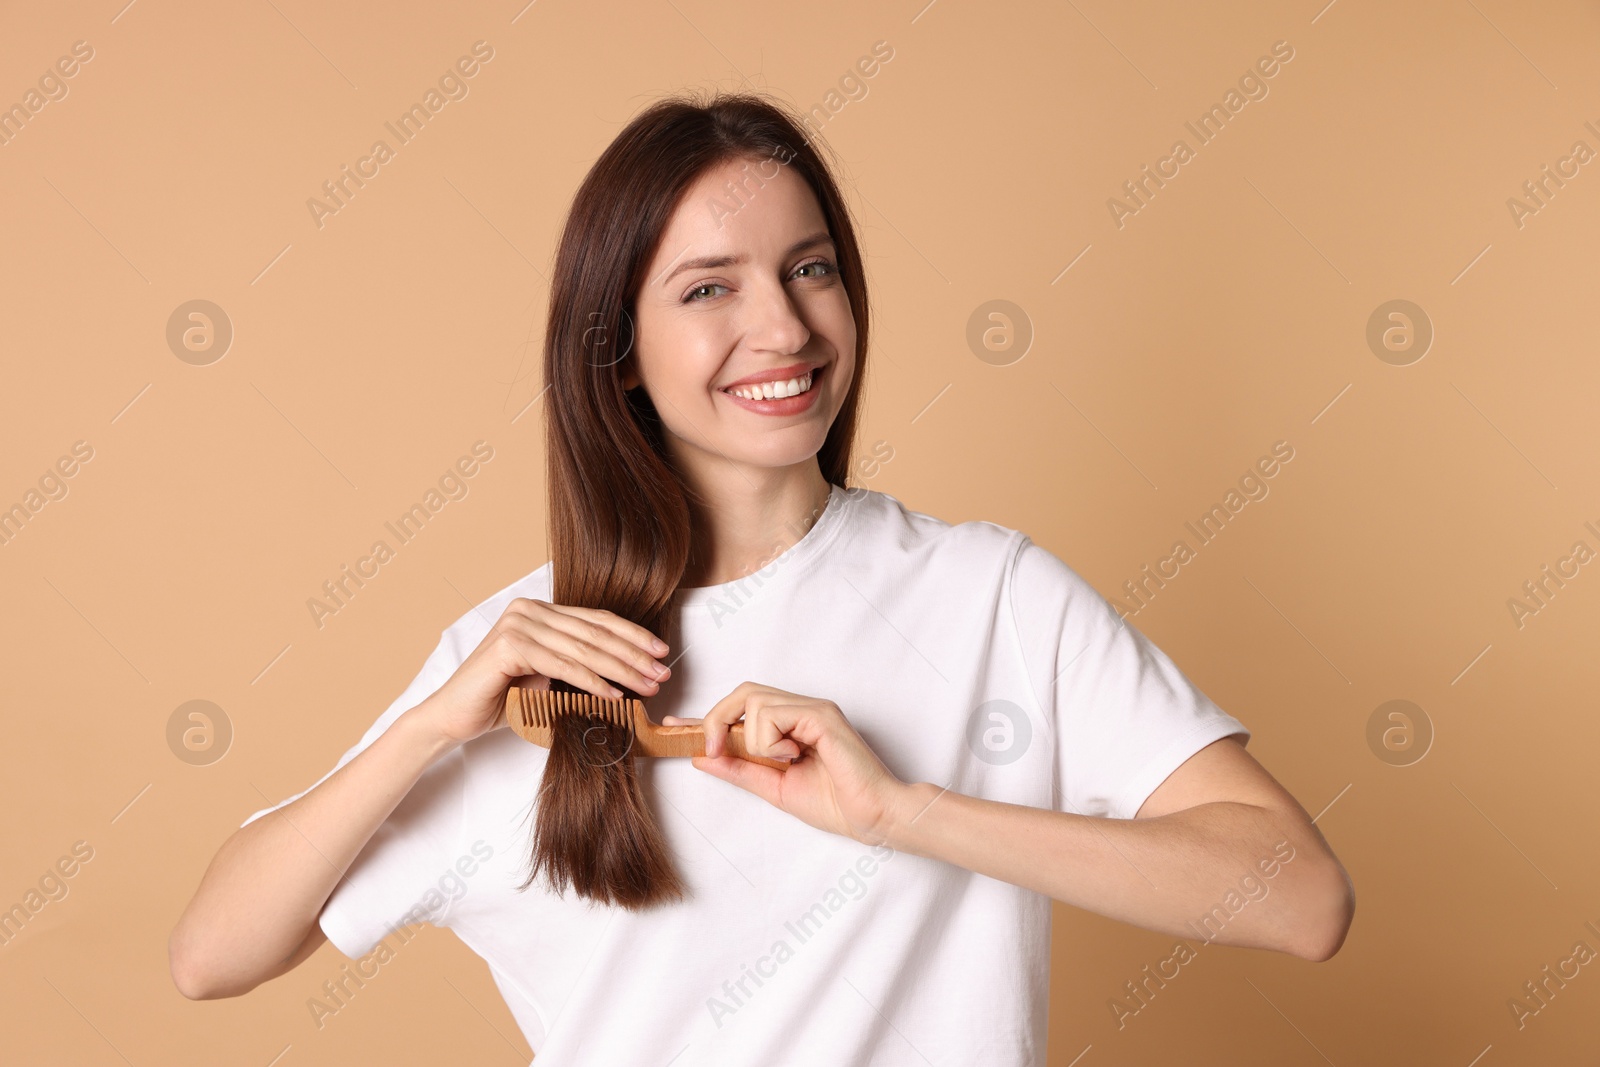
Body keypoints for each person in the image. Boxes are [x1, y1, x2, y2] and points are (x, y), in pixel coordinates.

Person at [169, 90, 1354, 1064]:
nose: (783, 328)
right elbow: (211, 952)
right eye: (708, 288)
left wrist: (905, 812)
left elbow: (1300, 898)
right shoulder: (522, 656)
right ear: (617, 350)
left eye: (810, 268)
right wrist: (435, 720)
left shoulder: (992, 595)